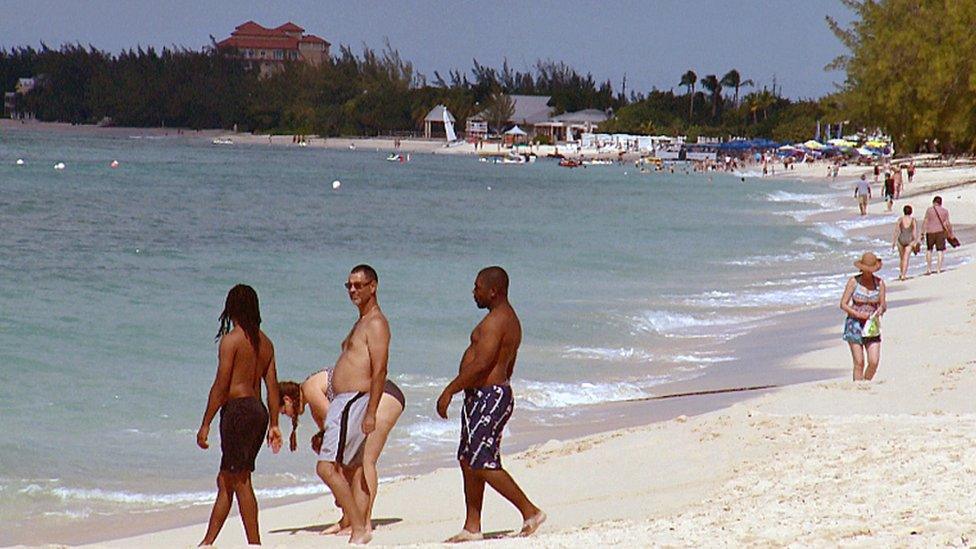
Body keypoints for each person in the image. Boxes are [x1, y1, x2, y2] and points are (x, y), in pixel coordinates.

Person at [437, 267, 546, 542]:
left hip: (489, 396)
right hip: (481, 396)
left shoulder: (499, 320)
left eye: (477, 287)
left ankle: (530, 511)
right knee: (467, 459)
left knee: (482, 462)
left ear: (493, 290)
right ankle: (472, 526)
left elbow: (483, 363)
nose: (474, 292)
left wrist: (449, 390)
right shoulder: (503, 319)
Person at [197, 284, 282, 546]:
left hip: (238, 412)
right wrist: (275, 424)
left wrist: (205, 423)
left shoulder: (231, 341)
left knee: (241, 479)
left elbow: (221, 385)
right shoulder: (266, 343)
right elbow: (273, 386)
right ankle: (207, 542)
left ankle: (254, 543)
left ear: (231, 308)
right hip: (258, 412)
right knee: (227, 479)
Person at [315, 264, 390, 545]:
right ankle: (359, 531)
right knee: (355, 468)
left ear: (373, 286)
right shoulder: (361, 321)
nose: (352, 290)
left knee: (326, 468)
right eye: (348, 285)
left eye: (358, 285)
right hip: (345, 402)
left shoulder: (376, 323)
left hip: (353, 402)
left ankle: (358, 527)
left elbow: (380, 370)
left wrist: (371, 411)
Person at [278, 370, 404, 536]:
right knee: (350, 462)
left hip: (382, 395)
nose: (286, 415)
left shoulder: (309, 389)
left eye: (283, 411)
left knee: (366, 460)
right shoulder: (313, 402)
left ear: (287, 400)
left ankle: (363, 523)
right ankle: (348, 520)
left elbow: (336, 421)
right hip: (375, 396)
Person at [840, 253, 887, 381]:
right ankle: (858, 388)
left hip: (871, 325)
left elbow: (883, 304)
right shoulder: (854, 282)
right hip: (854, 324)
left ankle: (865, 382)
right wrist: (857, 314)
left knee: (874, 361)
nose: (868, 273)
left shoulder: (879, 283)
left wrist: (880, 311)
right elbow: (843, 304)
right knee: (859, 362)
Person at [922, 196, 953, 274]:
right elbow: (947, 223)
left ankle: (929, 269)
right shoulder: (945, 211)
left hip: (930, 232)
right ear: (940, 203)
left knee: (929, 250)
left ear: (934, 202)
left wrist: (922, 232)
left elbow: (925, 221)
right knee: (940, 251)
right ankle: (938, 269)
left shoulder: (929, 210)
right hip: (940, 232)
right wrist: (951, 233)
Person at [891, 204, 919, 281]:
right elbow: (914, 232)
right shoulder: (913, 220)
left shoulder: (900, 219)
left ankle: (901, 273)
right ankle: (903, 275)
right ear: (911, 212)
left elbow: (896, 231)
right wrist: (915, 242)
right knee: (906, 258)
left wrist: (893, 242)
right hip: (909, 240)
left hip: (901, 239)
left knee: (902, 258)